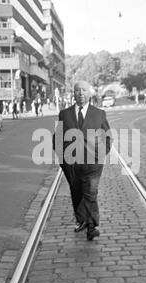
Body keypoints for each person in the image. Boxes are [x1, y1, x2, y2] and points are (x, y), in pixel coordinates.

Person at [53, 81, 112, 241]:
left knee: (91, 193)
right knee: (76, 192)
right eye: (77, 90)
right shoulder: (64, 114)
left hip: (93, 164)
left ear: (89, 93)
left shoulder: (99, 114)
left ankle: (92, 226)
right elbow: (57, 139)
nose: (80, 93)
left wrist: (101, 155)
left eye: (84, 90)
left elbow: (107, 138)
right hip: (71, 163)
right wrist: (63, 160)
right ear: (73, 93)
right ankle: (82, 220)